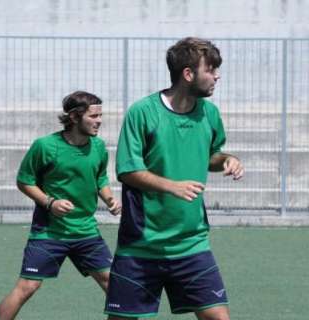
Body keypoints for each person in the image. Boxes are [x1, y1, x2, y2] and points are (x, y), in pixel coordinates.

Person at [104, 37, 244, 320]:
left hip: (192, 243)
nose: (217, 76)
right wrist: (172, 186)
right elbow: (128, 170)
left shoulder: (209, 113)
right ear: (188, 74)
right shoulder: (142, 112)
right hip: (142, 245)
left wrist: (227, 159)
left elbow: (211, 155)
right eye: (211, 69)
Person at [0, 91, 122, 320]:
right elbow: (24, 181)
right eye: (93, 116)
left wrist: (109, 198)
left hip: (86, 231)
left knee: (117, 287)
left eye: (100, 115)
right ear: (74, 117)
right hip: (49, 233)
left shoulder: (99, 147)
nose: (99, 121)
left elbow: (100, 178)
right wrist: (49, 202)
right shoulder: (45, 146)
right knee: (28, 287)